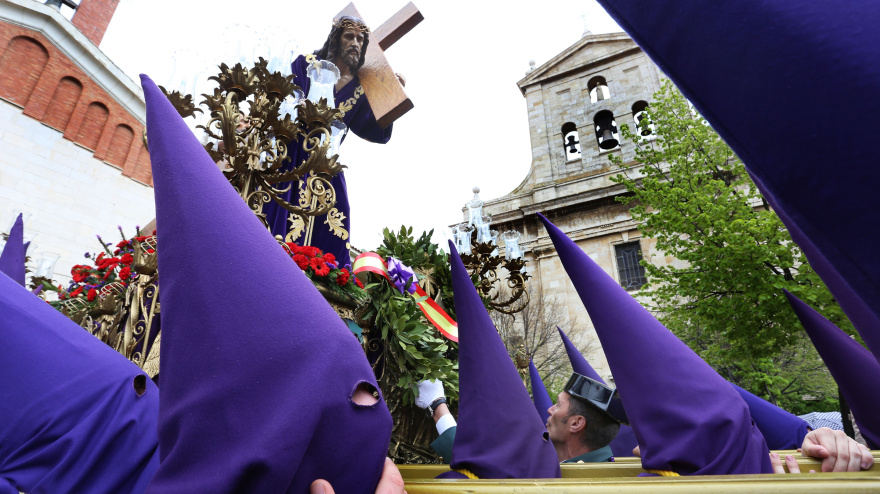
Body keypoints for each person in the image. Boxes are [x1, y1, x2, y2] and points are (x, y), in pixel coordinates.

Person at [262, 15, 404, 266]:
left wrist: (390, 102)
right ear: (335, 39)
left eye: (360, 39)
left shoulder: (362, 88)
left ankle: (326, 272)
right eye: (349, 36)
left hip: (328, 161)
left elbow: (371, 129)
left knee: (339, 210)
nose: (355, 43)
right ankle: (274, 261)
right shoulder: (307, 63)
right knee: (284, 206)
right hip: (294, 151)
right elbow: (284, 100)